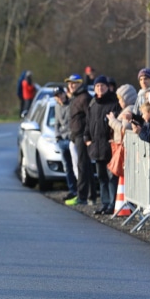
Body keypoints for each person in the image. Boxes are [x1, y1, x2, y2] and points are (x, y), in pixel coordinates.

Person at [84, 75, 121, 215]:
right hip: (96, 146)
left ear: (107, 87)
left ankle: (112, 203)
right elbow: (88, 124)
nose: (100, 88)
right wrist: (86, 138)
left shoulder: (113, 103)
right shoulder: (93, 104)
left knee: (112, 176)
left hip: (110, 146)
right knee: (101, 177)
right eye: (98, 86)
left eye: (103, 86)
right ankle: (104, 203)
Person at [65, 74, 98, 206]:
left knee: (82, 166)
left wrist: (86, 135)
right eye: (69, 83)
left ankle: (82, 196)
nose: (71, 85)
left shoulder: (84, 98)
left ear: (80, 84)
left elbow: (89, 118)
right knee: (86, 166)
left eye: (74, 83)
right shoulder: (75, 97)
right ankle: (91, 195)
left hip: (82, 136)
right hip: (76, 135)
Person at [53, 86, 77, 200]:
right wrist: (57, 137)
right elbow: (56, 123)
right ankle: (72, 190)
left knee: (77, 166)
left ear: (65, 93)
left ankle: (81, 190)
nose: (60, 97)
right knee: (67, 167)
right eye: (57, 96)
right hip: (62, 140)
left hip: (72, 139)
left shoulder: (72, 104)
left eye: (61, 94)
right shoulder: (57, 107)